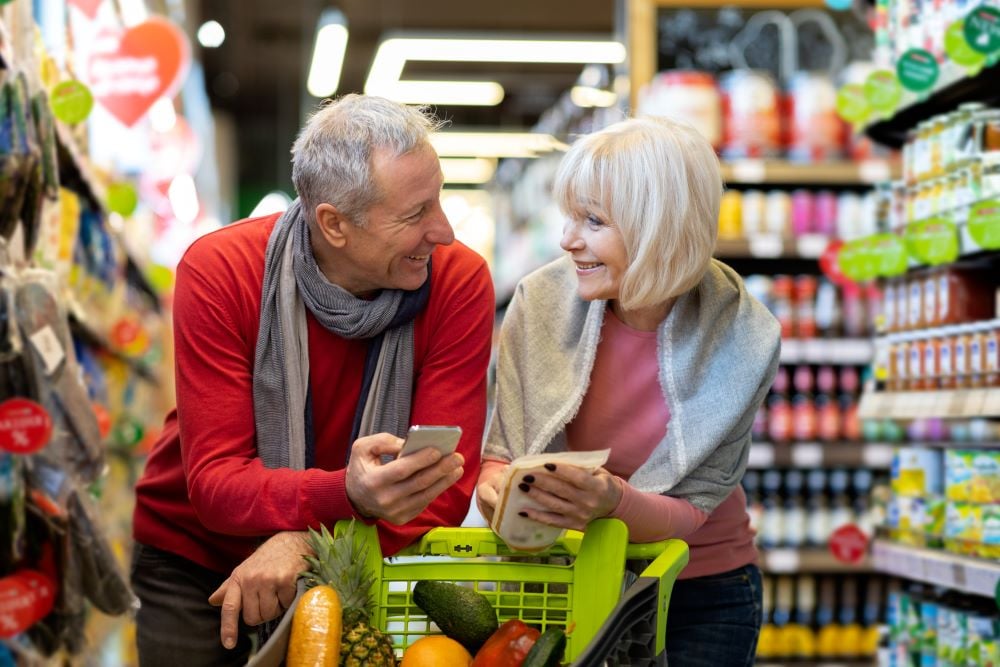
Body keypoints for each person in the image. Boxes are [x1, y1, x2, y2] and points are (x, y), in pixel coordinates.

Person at [130, 95, 495, 666]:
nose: (443, 231)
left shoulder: (458, 282)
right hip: (197, 560)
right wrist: (346, 497)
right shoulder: (221, 271)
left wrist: (308, 539)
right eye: (414, 214)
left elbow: (443, 481)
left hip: (358, 559)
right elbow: (218, 483)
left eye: (438, 200)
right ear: (334, 223)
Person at [476, 116, 780, 667]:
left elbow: (694, 508)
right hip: (561, 578)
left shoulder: (744, 333)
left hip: (702, 590)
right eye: (570, 216)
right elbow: (499, 454)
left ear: (657, 228)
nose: (568, 240)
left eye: (593, 221)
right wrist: (497, 489)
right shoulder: (538, 304)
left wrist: (612, 504)